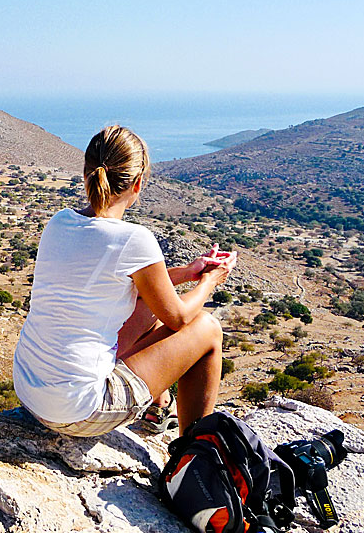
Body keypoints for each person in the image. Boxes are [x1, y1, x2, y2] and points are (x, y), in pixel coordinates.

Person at [13, 125, 236, 437]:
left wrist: (189, 271)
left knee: (145, 304)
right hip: (78, 410)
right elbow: (180, 316)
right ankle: (192, 456)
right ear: (138, 184)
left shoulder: (59, 222)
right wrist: (210, 281)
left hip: (31, 392)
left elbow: (139, 286)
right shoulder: (132, 239)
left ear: (87, 172)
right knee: (208, 329)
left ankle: (158, 407)